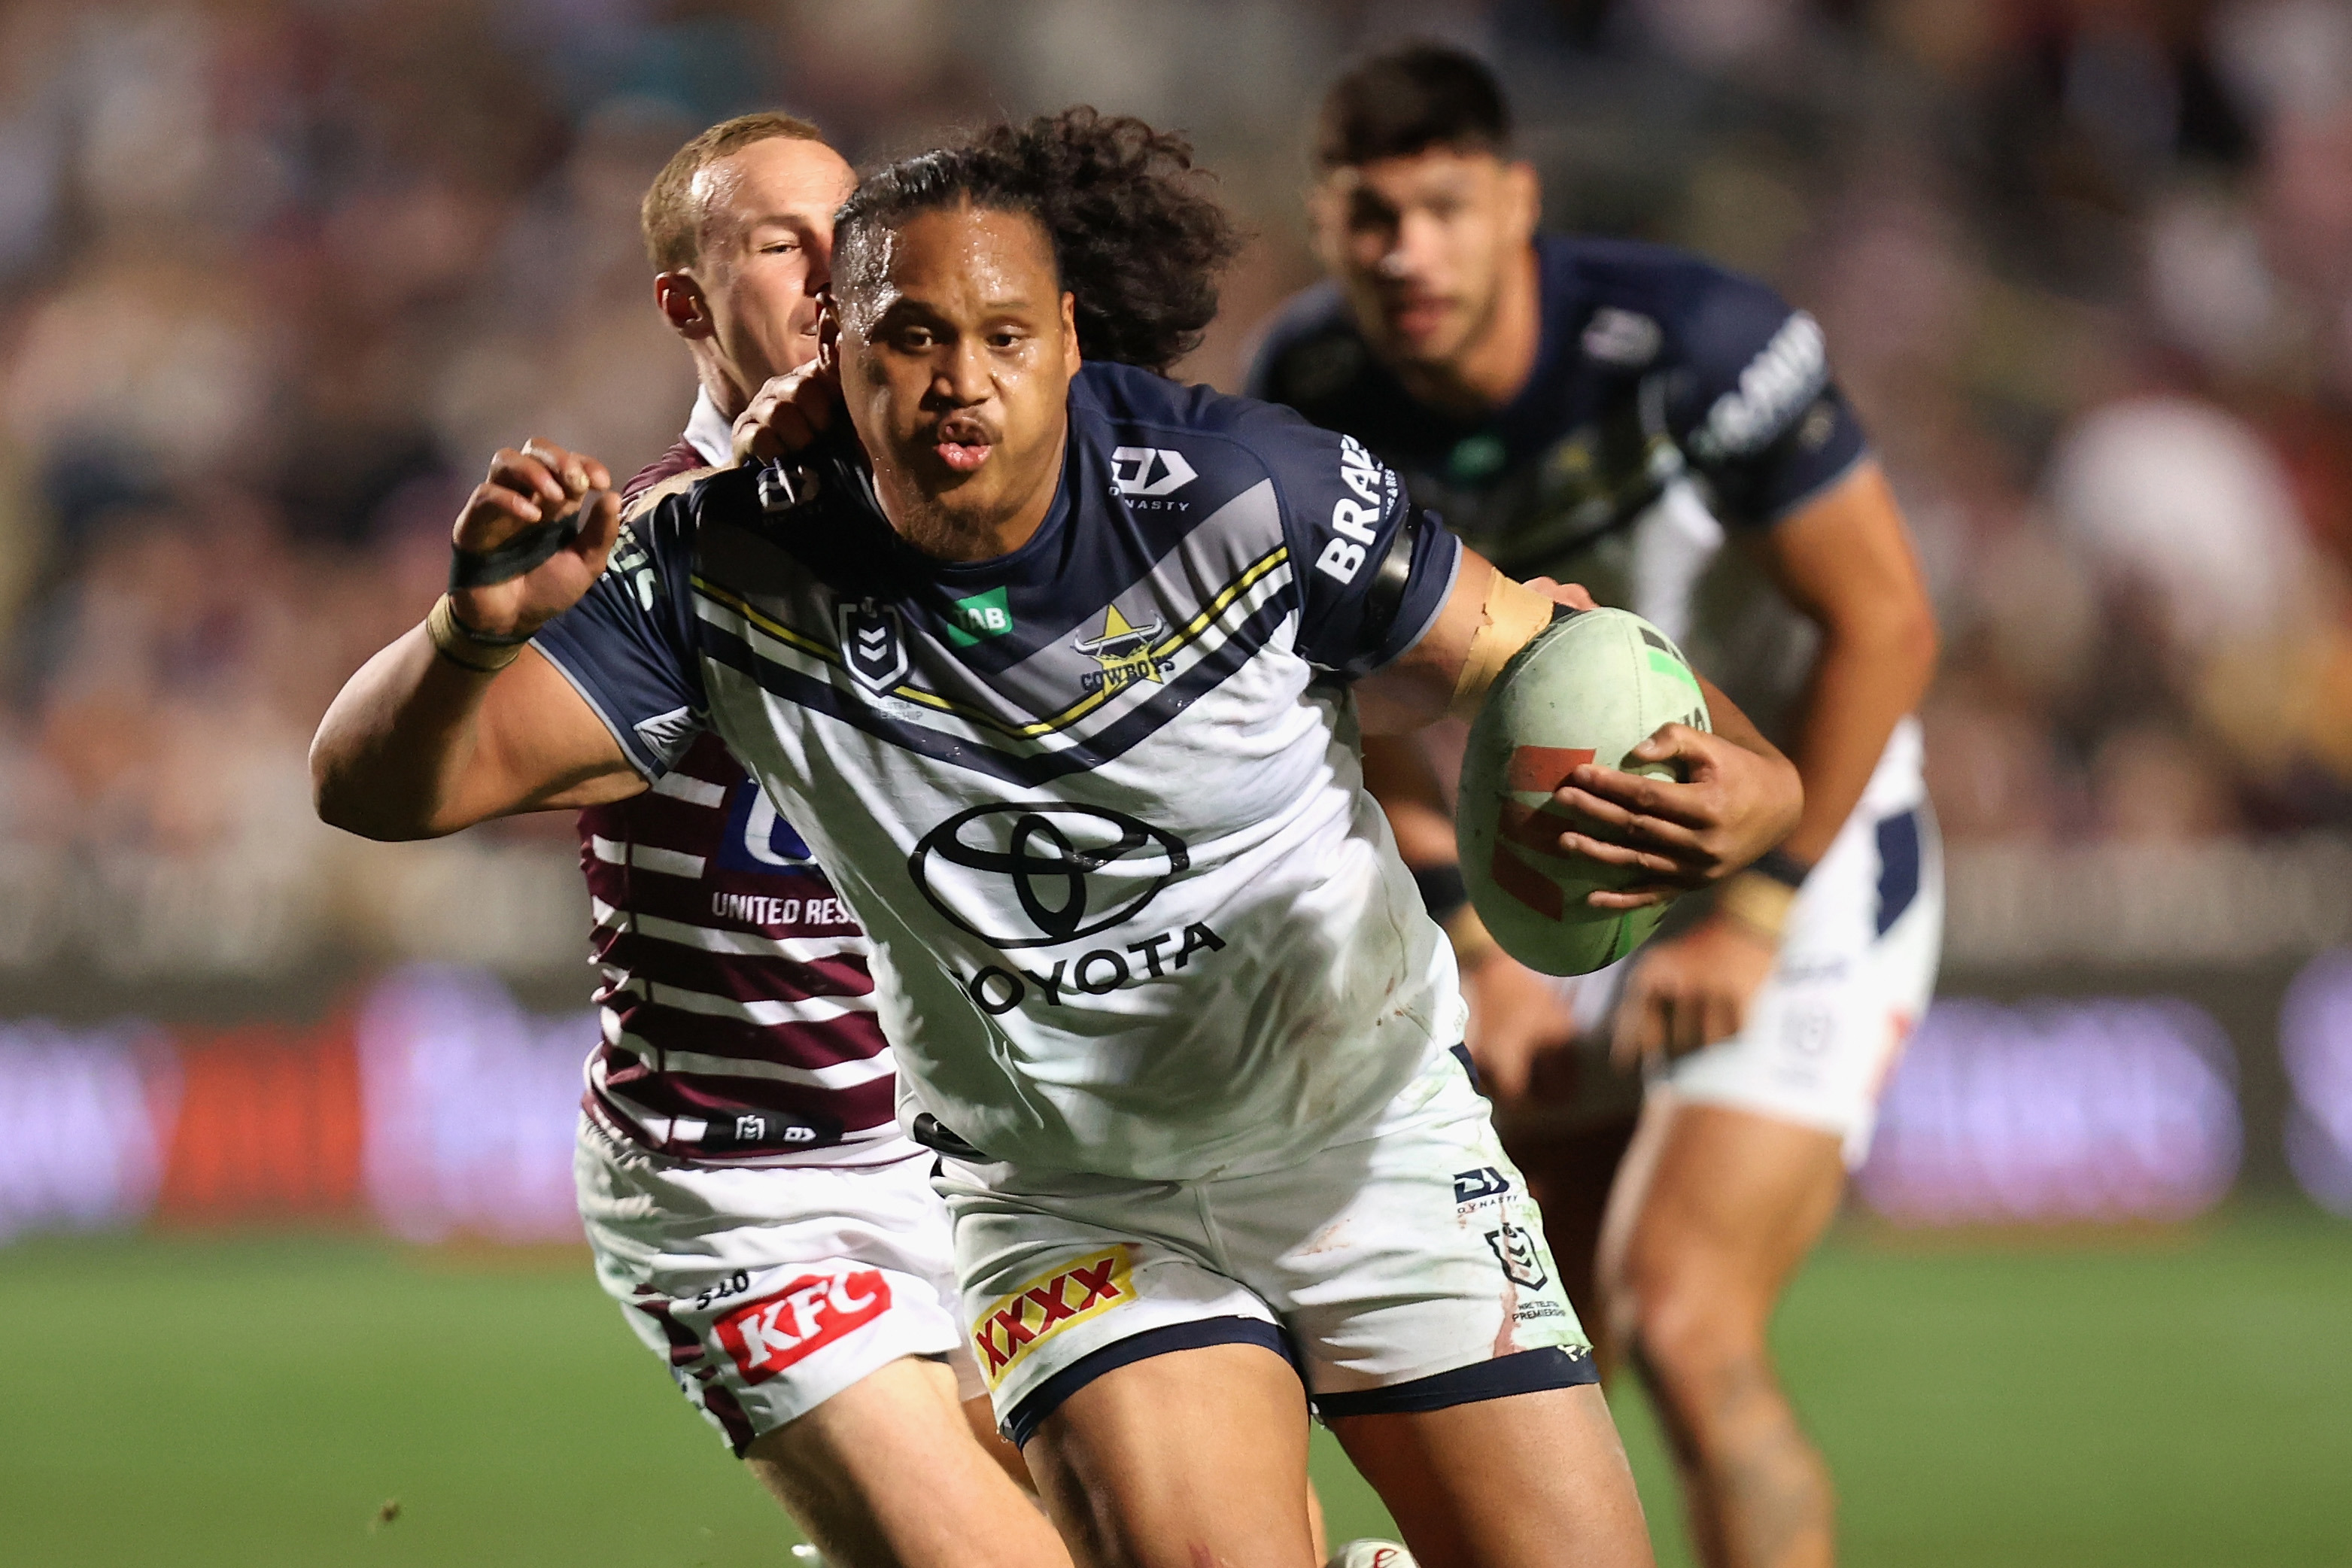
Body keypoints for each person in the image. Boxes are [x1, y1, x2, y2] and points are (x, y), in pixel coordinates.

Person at [312, 108, 1804, 1568]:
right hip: (1064, 1197)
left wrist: (1757, 788)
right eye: (909, 337)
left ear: (1071, 340)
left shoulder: (1250, 493)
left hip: (1364, 1137)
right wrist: (465, 629)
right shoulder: (719, 564)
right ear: (837, 341)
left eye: (1004, 337)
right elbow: (376, 789)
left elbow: (1544, 652)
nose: (961, 381)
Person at [1247, 45, 1943, 1568]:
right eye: (1370, 217)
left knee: (1683, 1319)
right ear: (1323, 223)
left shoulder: (1697, 344)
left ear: (1518, 204)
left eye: (1442, 208)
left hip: (1792, 841)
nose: (1407, 253)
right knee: (1524, 1326)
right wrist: (1472, 941)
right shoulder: (1307, 391)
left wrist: (1753, 916)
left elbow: (1885, 621)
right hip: (1535, 871)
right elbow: (1346, 706)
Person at [527, 111, 1074, 1568]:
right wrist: (476, 632)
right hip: (749, 1177)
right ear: (686, 304)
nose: (834, 270)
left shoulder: (970, 504)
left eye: (854, 232)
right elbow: (419, 780)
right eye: (782, 243)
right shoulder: (645, 546)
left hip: (982, 1158)